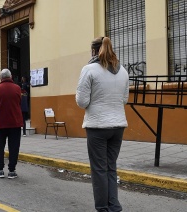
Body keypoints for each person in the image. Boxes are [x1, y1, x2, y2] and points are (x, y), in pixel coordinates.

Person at [76, 36, 129, 212]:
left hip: (97, 126)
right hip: (118, 125)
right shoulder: (122, 71)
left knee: (99, 169)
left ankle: (102, 208)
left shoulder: (89, 69)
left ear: (93, 51)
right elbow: (125, 99)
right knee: (110, 167)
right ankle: (114, 205)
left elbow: (82, 101)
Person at [0, 69, 23, 179]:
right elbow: (19, 102)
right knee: (14, 147)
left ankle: (0, 169)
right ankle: (12, 170)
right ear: (10, 77)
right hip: (15, 122)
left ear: (1, 78)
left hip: (1, 123)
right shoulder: (17, 88)